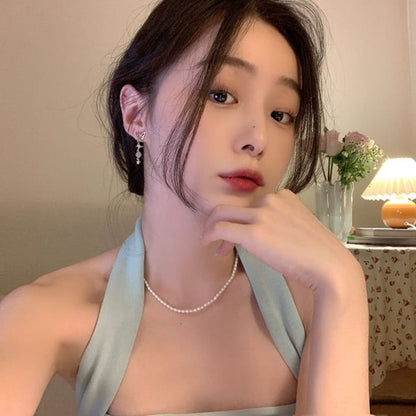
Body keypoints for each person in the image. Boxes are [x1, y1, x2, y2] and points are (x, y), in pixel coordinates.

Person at [0, 0, 372, 415]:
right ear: (136, 113)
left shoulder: (310, 295)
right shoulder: (46, 313)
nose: (259, 139)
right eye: (220, 95)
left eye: (281, 114)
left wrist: (344, 282)